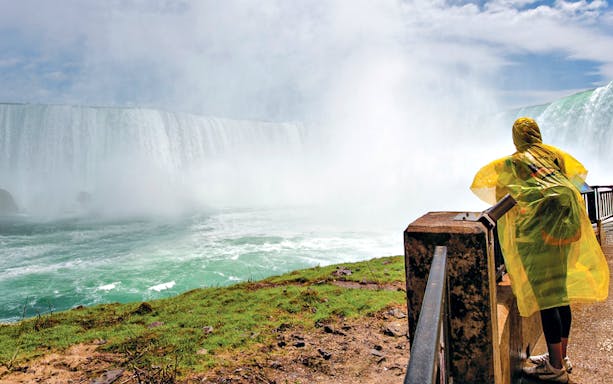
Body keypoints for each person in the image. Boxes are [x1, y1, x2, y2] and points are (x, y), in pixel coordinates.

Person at [470, 117, 609, 383]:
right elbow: (577, 175)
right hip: (566, 233)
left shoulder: (515, 162)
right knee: (561, 295)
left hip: (540, 239)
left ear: (517, 138)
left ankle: (555, 369)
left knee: (548, 301)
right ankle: (561, 357)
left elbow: (489, 186)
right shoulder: (553, 155)